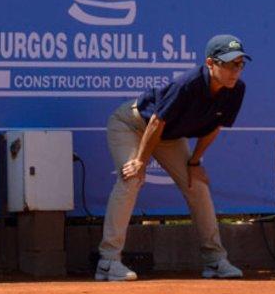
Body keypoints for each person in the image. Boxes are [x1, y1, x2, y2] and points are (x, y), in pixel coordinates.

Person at [94, 34, 250, 281]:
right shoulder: (187, 84)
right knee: (131, 179)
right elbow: (156, 122)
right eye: (230, 64)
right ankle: (108, 262)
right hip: (132, 125)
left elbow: (214, 128)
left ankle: (215, 261)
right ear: (210, 63)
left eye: (240, 64)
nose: (236, 71)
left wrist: (194, 162)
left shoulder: (235, 90)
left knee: (197, 185)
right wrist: (140, 162)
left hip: (169, 137)